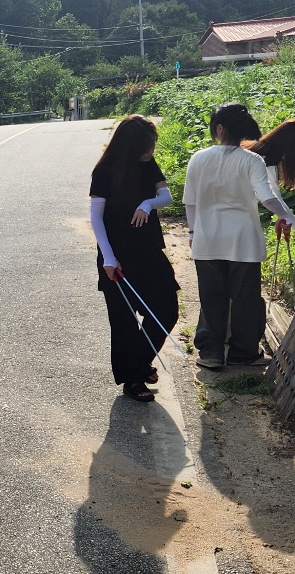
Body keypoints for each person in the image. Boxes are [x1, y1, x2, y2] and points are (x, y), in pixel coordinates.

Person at [184, 103, 295, 372]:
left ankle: (211, 353)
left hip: (207, 239)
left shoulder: (198, 158)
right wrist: (289, 220)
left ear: (219, 129)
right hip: (242, 241)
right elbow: (268, 198)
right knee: (245, 299)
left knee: (211, 298)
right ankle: (243, 354)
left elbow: (190, 201)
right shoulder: (252, 161)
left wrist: (192, 231)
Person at [88, 116, 179, 403]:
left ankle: (137, 364)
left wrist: (148, 202)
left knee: (166, 310)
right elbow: (96, 218)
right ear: (131, 145)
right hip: (117, 256)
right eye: (147, 144)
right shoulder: (104, 172)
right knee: (124, 321)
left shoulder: (147, 165)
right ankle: (133, 379)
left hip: (149, 250)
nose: (152, 149)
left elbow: (166, 196)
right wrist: (109, 257)